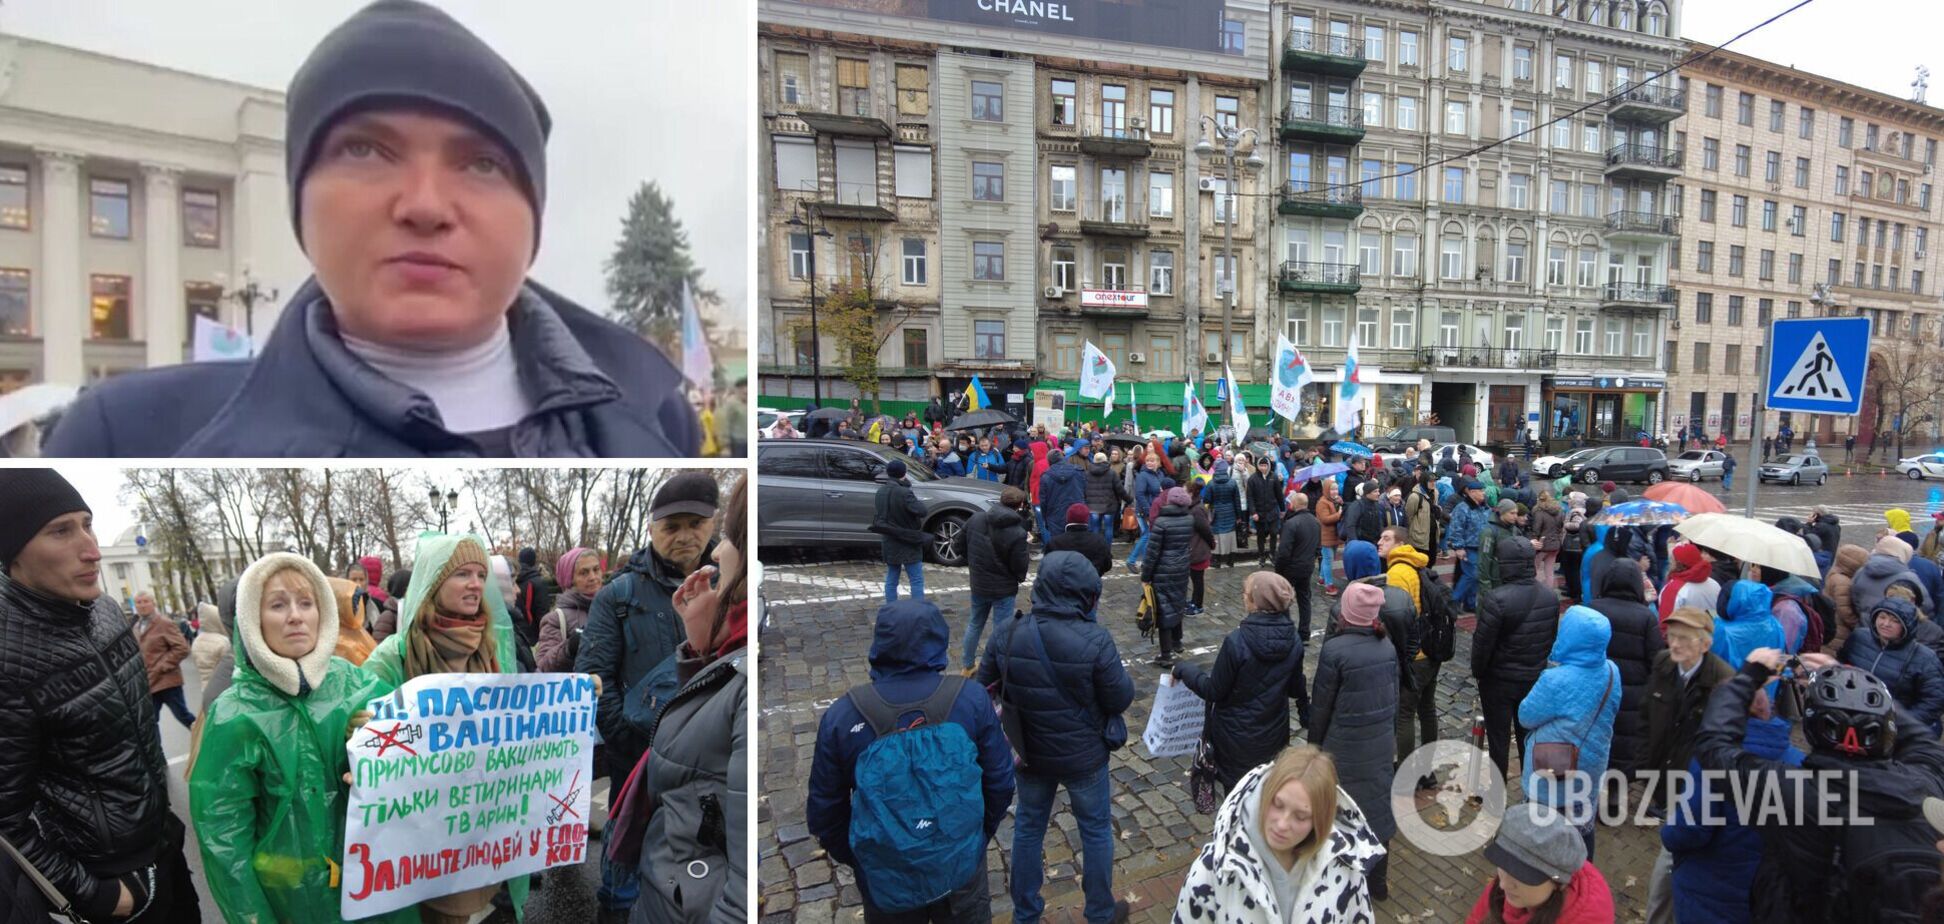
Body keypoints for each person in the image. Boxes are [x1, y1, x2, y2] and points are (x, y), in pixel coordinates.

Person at [42, 1, 697, 457]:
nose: (424, 204)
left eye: (483, 162)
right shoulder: (132, 433)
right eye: (365, 151)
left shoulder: (657, 413)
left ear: (534, 217)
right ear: (300, 198)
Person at [0, 470, 202, 923]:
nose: (91, 549)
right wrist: (95, 895)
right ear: (13, 551)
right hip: (109, 882)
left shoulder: (108, 611)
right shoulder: (7, 658)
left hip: (163, 846)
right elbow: (7, 820)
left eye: (87, 523)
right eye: (60, 531)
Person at [188, 552, 400, 924]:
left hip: (371, 888)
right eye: (277, 604)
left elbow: (423, 758)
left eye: (306, 602)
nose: (295, 616)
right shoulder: (234, 714)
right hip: (290, 902)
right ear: (252, 618)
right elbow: (225, 843)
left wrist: (381, 746)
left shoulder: (358, 685)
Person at [807, 597, 1015, 922]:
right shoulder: (970, 698)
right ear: (939, 640)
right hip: (959, 862)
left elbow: (825, 814)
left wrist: (866, 858)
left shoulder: (844, 716)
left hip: (887, 875)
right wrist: (975, 838)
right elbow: (1000, 782)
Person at [1698, 651, 1944, 922]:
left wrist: (1745, 679)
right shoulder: (1926, 787)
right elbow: (1926, 747)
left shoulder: (1796, 793)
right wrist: (1859, 683)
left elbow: (1715, 748)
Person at [357, 533, 529, 920]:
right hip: (420, 827)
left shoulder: (488, 644)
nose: (475, 584)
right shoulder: (394, 653)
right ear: (434, 582)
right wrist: (361, 726)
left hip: (475, 820)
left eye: (480, 574)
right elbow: (360, 726)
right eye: (462, 574)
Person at [577, 470, 718, 918]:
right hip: (636, 760)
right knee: (622, 875)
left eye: (695, 524)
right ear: (652, 529)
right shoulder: (618, 594)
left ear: (712, 524)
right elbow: (593, 679)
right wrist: (628, 742)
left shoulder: (727, 584)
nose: (684, 536)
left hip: (708, 762)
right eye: (671, 527)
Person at [976, 552, 1135, 924]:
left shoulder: (1007, 632)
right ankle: (1099, 913)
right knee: (1095, 830)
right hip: (1083, 755)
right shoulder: (1096, 639)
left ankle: (1026, 915)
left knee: (1028, 828)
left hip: (1028, 753)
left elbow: (983, 690)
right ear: (1087, 594)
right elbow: (1120, 697)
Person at [622, 474, 748, 923]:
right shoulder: (622, 594)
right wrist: (705, 648)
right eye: (671, 526)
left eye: (706, 526)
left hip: (686, 895)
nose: (707, 545)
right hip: (669, 866)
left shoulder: (747, 666)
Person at [1172, 746, 1383, 923]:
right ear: (1265, 793)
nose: (1282, 824)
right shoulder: (1215, 869)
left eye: (1300, 817)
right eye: (1277, 804)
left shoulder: (1346, 868)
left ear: (1320, 821)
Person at [1174, 572, 1310, 793]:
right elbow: (1295, 687)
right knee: (1264, 791)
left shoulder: (1237, 642)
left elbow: (1214, 690)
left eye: (1247, 594)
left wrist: (1184, 669)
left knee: (1235, 795)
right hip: (1273, 732)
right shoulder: (1294, 640)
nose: (1243, 597)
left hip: (1235, 736)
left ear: (1257, 601)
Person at [1309, 581, 1398, 900]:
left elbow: (1321, 704)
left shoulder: (1335, 650)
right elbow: (1395, 697)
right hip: (1378, 741)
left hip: (1343, 745)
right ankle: (1378, 882)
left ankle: (1343, 880)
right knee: (1376, 808)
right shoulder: (1386, 645)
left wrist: (1314, 747)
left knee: (1342, 811)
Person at [1520, 605, 1621, 860]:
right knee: (1582, 831)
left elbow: (1525, 716)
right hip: (1591, 766)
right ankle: (1583, 883)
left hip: (1552, 769)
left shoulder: (1555, 679)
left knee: (1541, 833)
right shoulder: (1611, 671)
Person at [1472, 538, 1560, 778]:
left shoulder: (1497, 599)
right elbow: (1551, 638)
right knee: (1528, 735)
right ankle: (1529, 787)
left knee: (1498, 738)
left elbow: (1482, 645)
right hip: (1533, 677)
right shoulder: (1549, 597)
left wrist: (1479, 673)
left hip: (1499, 681)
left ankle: (1497, 790)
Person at [1464, 801, 1615, 923]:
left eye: (1522, 875)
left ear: (1559, 883)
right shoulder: (1510, 888)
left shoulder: (1589, 917)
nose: (1503, 884)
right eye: (1504, 865)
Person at [1589, 559, 1666, 784]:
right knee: (1622, 745)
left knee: (1594, 740)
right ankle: (1614, 799)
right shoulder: (1646, 616)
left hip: (1597, 687)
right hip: (1631, 693)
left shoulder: (1592, 608)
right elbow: (1656, 659)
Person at [1839, 597, 1944, 734]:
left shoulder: (1925, 658)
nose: (1886, 624)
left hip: (1894, 729)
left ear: (1907, 625)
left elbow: (1934, 701)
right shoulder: (1858, 638)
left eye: (1895, 621)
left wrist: (1901, 723)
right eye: (1882, 617)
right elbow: (1841, 667)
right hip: (1852, 720)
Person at [1379, 526, 1438, 759]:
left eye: (1386, 539)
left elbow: (1397, 617)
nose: (1379, 542)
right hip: (1431, 649)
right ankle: (1426, 770)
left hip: (1415, 655)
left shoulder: (1396, 573)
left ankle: (1405, 775)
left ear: (1400, 544)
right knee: (1427, 709)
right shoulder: (1416, 563)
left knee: (1404, 714)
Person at [963, 488, 1032, 675]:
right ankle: (995, 668)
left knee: (975, 623)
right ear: (1020, 506)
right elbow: (1019, 564)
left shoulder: (976, 518)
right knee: (1001, 630)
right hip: (1003, 587)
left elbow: (960, 544)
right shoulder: (1017, 532)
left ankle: (967, 665)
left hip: (979, 582)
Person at [1144, 487, 1197, 666]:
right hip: (1181, 568)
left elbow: (1152, 552)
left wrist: (1146, 575)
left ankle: (1166, 654)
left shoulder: (1161, 522)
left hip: (1163, 569)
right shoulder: (1189, 519)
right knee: (1178, 602)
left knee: (1164, 609)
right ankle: (1177, 641)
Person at [133, 591, 196, 731]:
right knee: (149, 723)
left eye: (145, 601)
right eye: (139, 602)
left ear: (153, 604)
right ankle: (157, 753)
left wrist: (162, 666)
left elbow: (182, 648)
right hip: (149, 683)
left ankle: (207, 739)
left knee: (183, 715)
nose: (142, 605)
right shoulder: (136, 627)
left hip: (168, 682)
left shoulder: (164, 623)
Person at [535, 546, 601, 672]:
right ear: (569, 580)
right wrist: (569, 648)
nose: (593, 577)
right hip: (579, 690)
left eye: (596, 570)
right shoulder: (556, 619)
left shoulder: (613, 608)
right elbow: (542, 666)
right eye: (584, 572)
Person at [874, 459, 929, 603]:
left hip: (889, 539)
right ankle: (918, 608)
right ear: (903, 473)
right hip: (908, 539)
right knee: (916, 579)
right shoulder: (905, 493)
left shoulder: (880, 491)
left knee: (892, 577)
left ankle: (890, 606)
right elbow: (922, 511)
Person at [1274, 493, 1322, 640]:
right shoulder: (1315, 522)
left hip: (1291, 568)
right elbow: (1317, 547)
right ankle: (1304, 633)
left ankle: (1286, 631)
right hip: (1306, 567)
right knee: (1304, 599)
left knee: (1283, 600)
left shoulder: (1292, 523)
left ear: (1295, 504)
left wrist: (1279, 570)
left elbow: (1284, 552)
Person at [1714, 580, 1788, 670]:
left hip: (1736, 682)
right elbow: (1780, 658)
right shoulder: (1774, 624)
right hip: (1768, 681)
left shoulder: (1721, 630)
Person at [1446, 480, 1490, 613]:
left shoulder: (1485, 507)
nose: (1483, 493)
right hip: (1469, 547)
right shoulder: (1462, 508)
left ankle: (1470, 603)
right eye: (1481, 491)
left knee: (1477, 576)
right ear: (1471, 492)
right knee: (1471, 575)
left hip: (1482, 547)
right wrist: (1458, 547)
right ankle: (1453, 601)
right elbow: (1455, 529)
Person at [1047, 502, 1113, 577]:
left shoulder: (1055, 542)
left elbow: (1048, 566)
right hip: (1090, 582)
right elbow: (1107, 565)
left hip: (1063, 584)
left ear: (1068, 518)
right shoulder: (1099, 541)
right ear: (1087, 519)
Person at [512, 546, 557, 647]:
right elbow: (542, 612)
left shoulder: (511, 578)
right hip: (533, 636)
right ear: (533, 561)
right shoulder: (539, 582)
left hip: (514, 632)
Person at [1204, 460, 1243, 568]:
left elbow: (1207, 500)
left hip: (1216, 512)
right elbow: (1237, 501)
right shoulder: (1232, 482)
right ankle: (1231, 560)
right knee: (1230, 535)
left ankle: (1216, 561)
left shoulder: (1211, 483)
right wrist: (1239, 516)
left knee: (1217, 535)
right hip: (1230, 512)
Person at [1247, 457, 1285, 566]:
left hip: (1272, 511)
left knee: (1274, 533)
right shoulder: (1253, 479)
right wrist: (1253, 512)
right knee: (1261, 535)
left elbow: (1279, 495)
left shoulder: (1274, 477)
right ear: (1258, 466)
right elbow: (1250, 497)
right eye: (1261, 465)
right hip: (1259, 512)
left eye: (1265, 465)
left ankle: (1272, 554)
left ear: (1268, 465)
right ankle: (1261, 555)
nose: (1263, 468)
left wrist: (1282, 509)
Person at [189, 600, 231, 688]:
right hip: (222, 686)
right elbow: (229, 665)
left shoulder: (196, 641)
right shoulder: (222, 641)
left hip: (205, 686)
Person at [1316, 478, 1345, 596]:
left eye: (1336, 489)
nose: (1335, 491)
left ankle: (1321, 578)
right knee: (1328, 560)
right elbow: (1325, 519)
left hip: (1334, 535)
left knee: (1327, 559)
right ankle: (1329, 585)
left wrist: (1340, 504)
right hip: (1325, 536)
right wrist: (1339, 514)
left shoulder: (1335, 501)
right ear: (1327, 490)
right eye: (1332, 489)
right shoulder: (1322, 502)